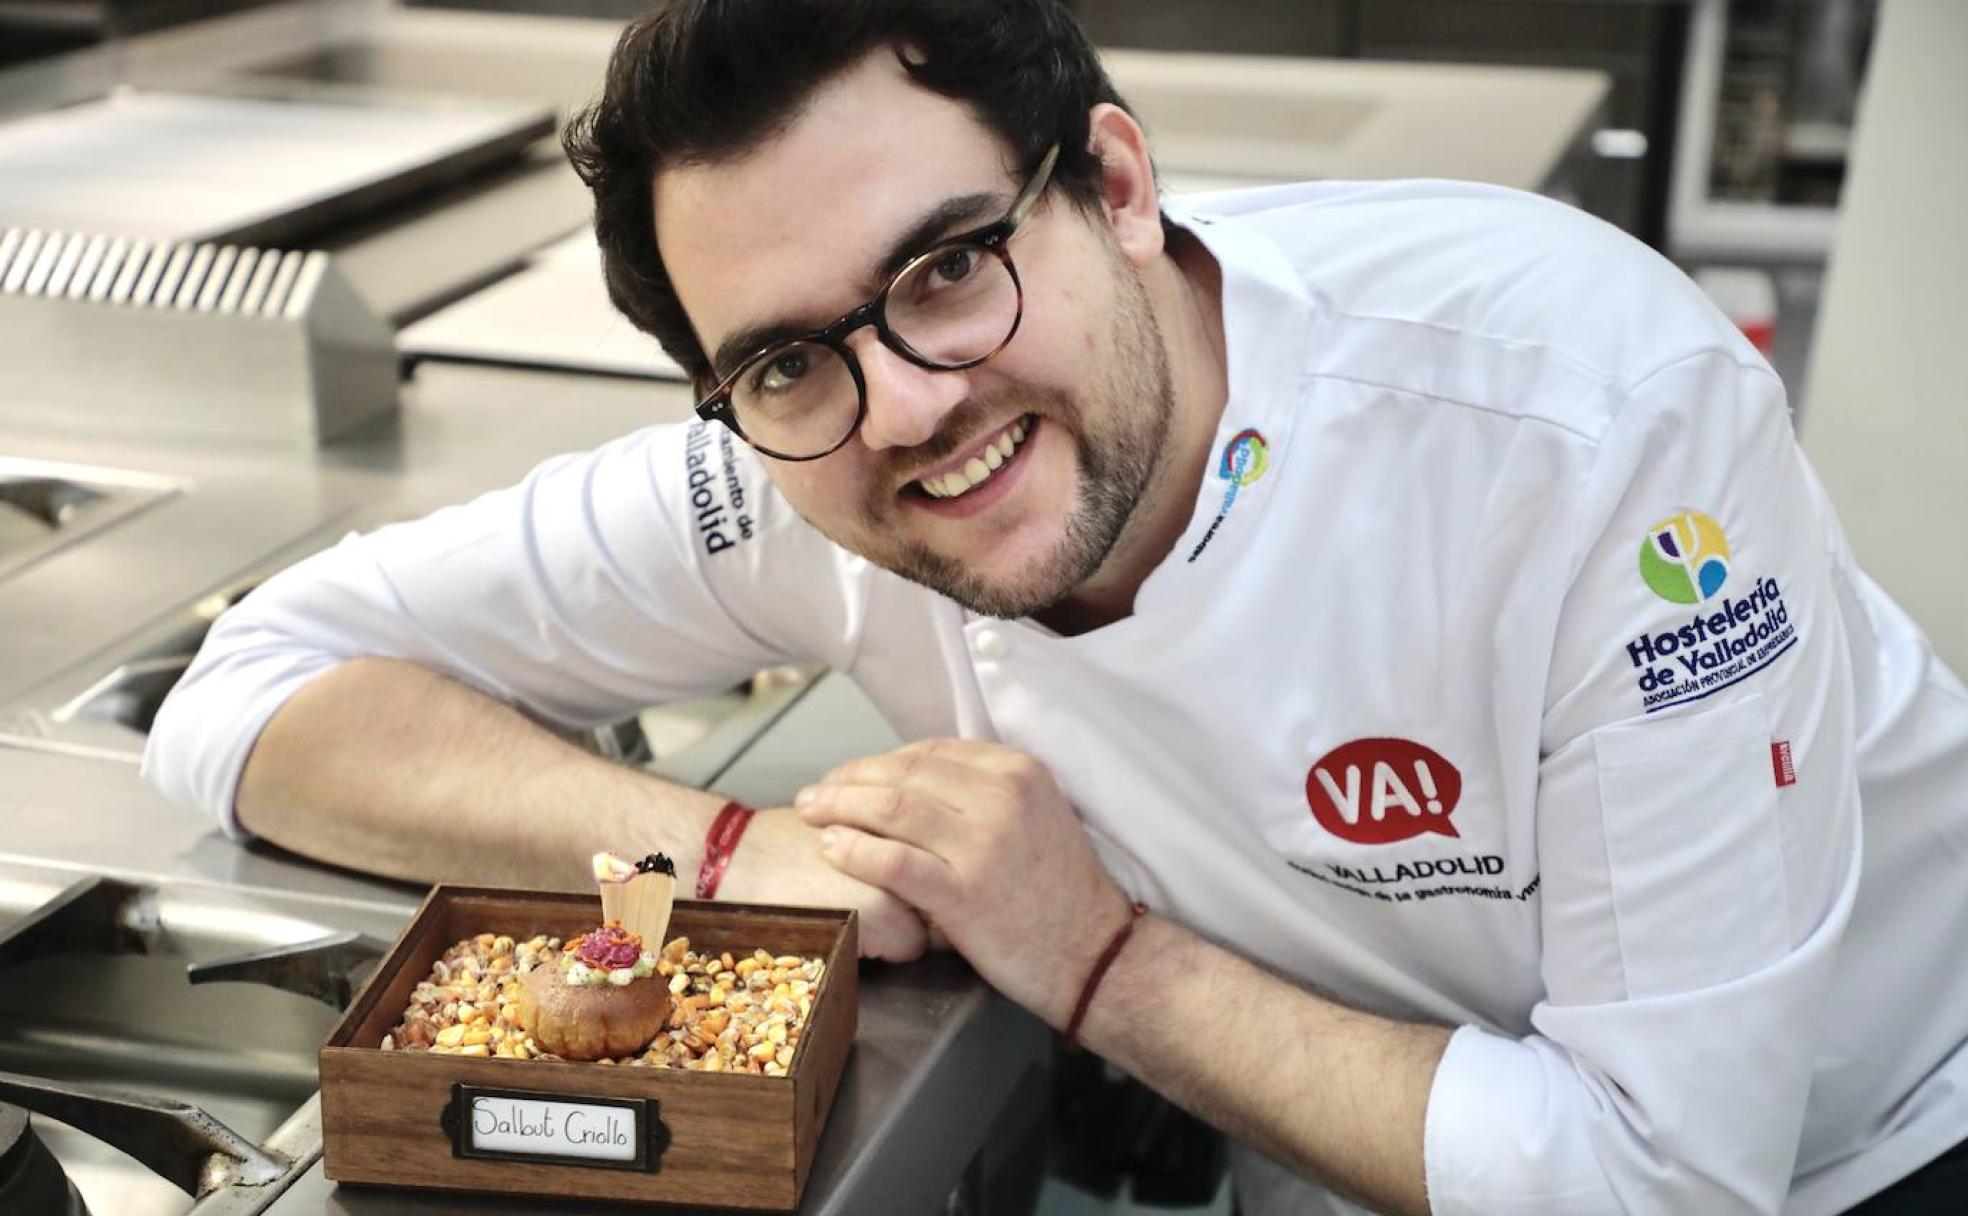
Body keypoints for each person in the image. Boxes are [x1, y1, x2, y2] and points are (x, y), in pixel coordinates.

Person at [144, 2, 1968, 1213]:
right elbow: (247, 692)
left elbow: (1668, 1182)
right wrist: (719, 846)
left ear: (1113, 187)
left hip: (1869, 1146)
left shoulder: (1583, 425)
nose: (914, 407)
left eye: (950, 269)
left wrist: (1096, 955)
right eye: (782, 360)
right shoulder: (790, 474)